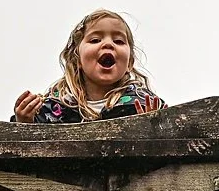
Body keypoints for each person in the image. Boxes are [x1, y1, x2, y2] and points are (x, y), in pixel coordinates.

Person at [13, 10, 165, 123]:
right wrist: (25, 122)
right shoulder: (52, 109)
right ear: (77, 59)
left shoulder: (144, 104)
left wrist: (154, 127)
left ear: (129, 63)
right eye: (95, 40)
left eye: (118, 41)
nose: (108, 44)